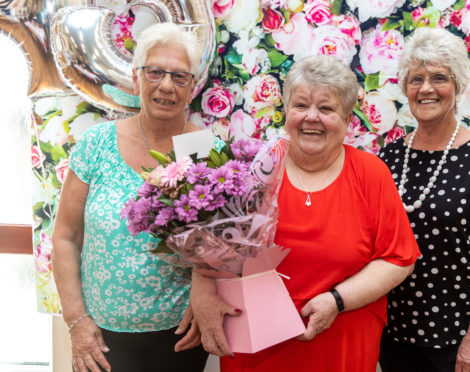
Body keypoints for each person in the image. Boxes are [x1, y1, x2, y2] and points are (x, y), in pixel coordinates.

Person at [190, 54, 420, 371]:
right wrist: (201, 292)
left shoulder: (371, 174)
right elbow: (210, 250)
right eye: (301, 106)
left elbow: (399, 259)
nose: (311, 117)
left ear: (347, 119)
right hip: (258, 348)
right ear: (285, 112)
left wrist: (337, 301)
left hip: (341, 344)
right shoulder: (251, 167)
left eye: (326, 109)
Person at [51, 23, 209, 372]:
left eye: (180, 77)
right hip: (101, 338)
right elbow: (64, 237)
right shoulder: (96, 143)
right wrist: (76, 321)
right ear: (136, 79)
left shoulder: (204, 150)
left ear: (193, 87)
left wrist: (207, 297)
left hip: (180, 335)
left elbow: (221, 245)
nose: (166, 86)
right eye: (154, 72)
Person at [377, 27, 470, 372]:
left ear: (457, 86)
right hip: (395, 336)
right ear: (405, 89)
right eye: (416, 79)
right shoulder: (390, 157)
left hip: (459, 341)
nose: (426, 88)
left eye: (438, 77)